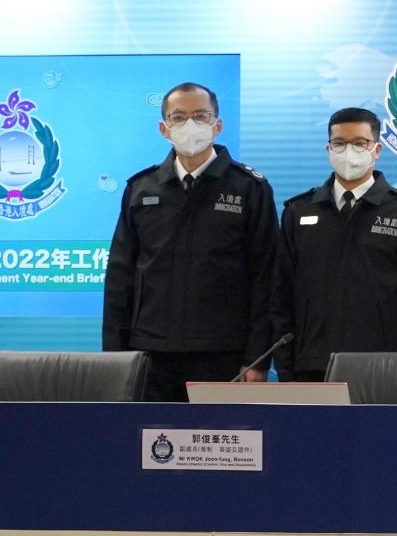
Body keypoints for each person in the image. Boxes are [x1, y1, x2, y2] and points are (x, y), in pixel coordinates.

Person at [102, 82, 277, 401]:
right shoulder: (141, 189)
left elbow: (266, 277)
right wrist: (114, 356)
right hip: (149, 352)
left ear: (217, 125)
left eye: (200, 116)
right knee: (150, 446)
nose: (190, 125)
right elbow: (120, 277)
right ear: (164, 128)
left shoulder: (249, 189)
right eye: (178, 117)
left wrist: (257, 357)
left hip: (223, 352)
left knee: (221, 445)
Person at [271, 107, 397, 381]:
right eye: (340, 143)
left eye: (360, 143)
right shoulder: (298, 211)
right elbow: (280, 293)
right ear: (328, 148)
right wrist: (286, 367)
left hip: (382, 365)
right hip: (312, 362)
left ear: (377, 149)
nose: (349, 151)